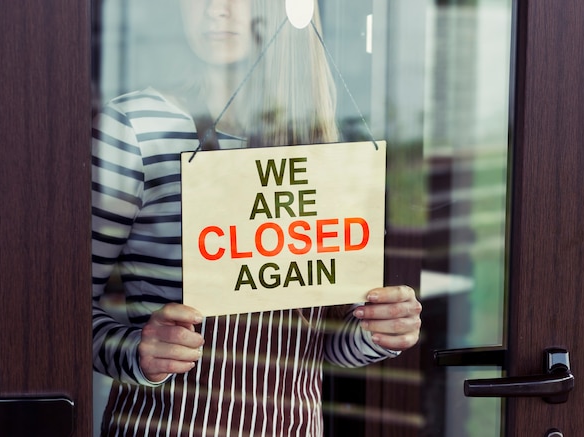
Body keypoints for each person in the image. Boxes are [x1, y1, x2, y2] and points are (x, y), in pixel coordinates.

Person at [92, 0, 422, 435]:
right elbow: (64, 314)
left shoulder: (318, 140)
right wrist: (138, 352)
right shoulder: (136, 127)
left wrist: (377, 333)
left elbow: (319, 343)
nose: (217, 10)